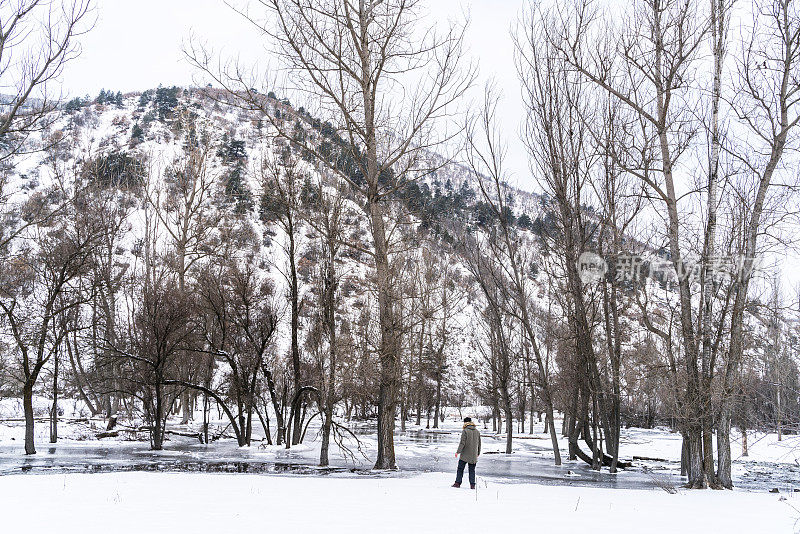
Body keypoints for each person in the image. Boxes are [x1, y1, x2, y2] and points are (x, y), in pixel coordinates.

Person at [452, 417, 481, 489]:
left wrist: (458, 452)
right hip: (474, 454)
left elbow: (462, 443)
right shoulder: (477, 431)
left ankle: (457, 483)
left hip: (465, 454)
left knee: (460, 468)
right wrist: (478, 452)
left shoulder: (465, 431)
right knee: (472, 470)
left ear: (465, 423)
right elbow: (479, 443)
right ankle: (472, 485)